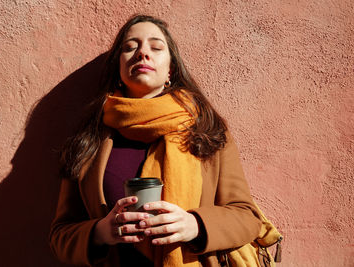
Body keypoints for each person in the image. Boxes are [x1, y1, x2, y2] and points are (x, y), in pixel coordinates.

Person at [49, 14, 262, 267]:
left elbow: (247, 217)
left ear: (170, 69)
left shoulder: (207, 129)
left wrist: (194, 225)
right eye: (130, 47)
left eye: (156, 47)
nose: (142, 53)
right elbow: (60, 236)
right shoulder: (88, 139)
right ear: (118, 68)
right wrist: (101, 232)